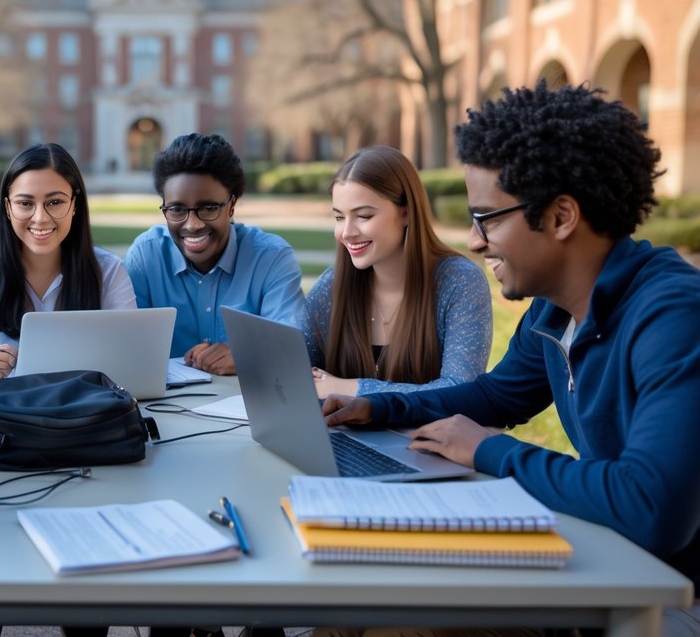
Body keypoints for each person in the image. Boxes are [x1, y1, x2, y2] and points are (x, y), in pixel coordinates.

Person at [322, 82, 700, 637]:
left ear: (561, 215)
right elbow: (496, 396)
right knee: (370, 611)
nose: (475, 242)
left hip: (670, 592)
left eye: (488, 219)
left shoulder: (674, 317)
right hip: (612, 555)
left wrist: (491, 450)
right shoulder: (552, 311)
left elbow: (651, 507)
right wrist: (378, 409)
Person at [0, 142, 136, 383]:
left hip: (81, 414)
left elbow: (129, 361)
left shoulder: (109, 270)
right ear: (7, 207)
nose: (40, 218)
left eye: (55, 202)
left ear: (74, 205)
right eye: (25, 203)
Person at [305, 145, 491, 399]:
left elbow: (460, 391)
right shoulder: (332, 285)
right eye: (339, 218)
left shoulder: (460, 282)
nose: (346, 232)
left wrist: (350, 388)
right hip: (343, 436)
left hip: (425, 438)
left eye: (363, 216)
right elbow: (295, 373)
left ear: (406, 214)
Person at [125, 133, 305, 375]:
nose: (192, 224)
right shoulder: (146, 256)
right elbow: (127, 349)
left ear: (231, 205)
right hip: (164, 408)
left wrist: (246, 356)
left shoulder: (271, 258)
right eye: (177, 209)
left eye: (208, 208)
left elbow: (293, 347)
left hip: (246, 408)